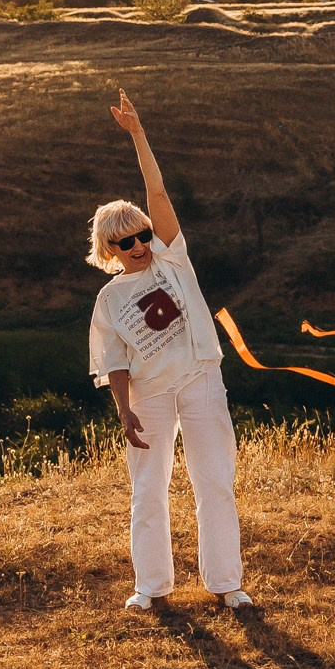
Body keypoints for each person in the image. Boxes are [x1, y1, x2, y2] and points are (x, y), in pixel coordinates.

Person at [87, 91, 251, 613]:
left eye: (140, 234)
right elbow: (113, 359)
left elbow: (157, 192)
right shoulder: (109, 297)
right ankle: (151, 588)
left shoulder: (172, 258)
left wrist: (138, 134)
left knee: (214, 483)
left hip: (201, 378)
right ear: (108, 250)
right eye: (123, 242)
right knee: (148, 491)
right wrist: (123, 407)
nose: (136, 246)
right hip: (148, 392)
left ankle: (226, 584)